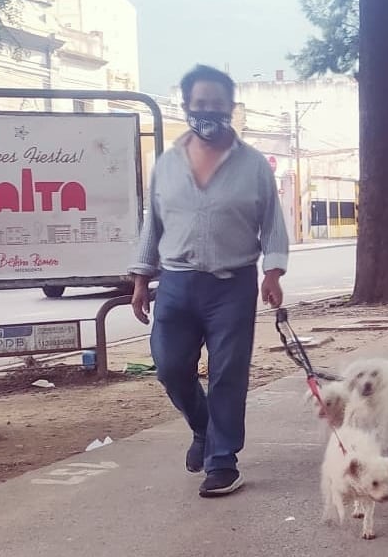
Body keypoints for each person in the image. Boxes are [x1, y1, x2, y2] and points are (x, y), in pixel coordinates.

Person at [129, 65, 289, 497]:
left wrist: (272, 272)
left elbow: (272, 223)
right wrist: (142, 278)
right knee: (170, 367)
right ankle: (202, 428)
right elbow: (153, 223)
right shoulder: (166, 165)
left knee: (228, 374)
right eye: (200, 105)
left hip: (231, 285)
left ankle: (222, 461)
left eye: (217, 105)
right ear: (186, 107)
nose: (208, 112)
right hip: (177, 285)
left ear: (230, 109)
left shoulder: (254, 165)